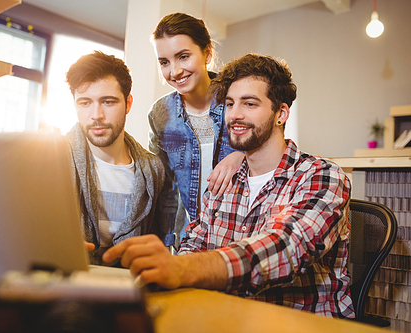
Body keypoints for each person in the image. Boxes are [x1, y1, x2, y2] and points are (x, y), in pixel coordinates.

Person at [103, 53, 355, 318]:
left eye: (249, 104)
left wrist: (184, 269)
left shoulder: (322, 176)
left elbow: (286, 248)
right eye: (230, 104)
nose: (235, 115)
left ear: (281, 113)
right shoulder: (224, 181)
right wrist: (166, 268)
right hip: (228, 319)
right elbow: (194, 244)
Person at [65, 51, 173, 266]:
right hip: (67, 283)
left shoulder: (153, 170)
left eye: (108, 102)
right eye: (85, 103)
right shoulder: (52, 158)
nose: (96, 115)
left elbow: (158, 242)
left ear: (128, 103)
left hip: (130, 286)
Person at [148, 13, 245, 243]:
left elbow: (271, 150)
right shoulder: (160, 113)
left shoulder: (238, 96)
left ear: (207, 53)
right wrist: (166, 244)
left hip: (241, 237)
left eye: (183, 56)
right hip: (190, 239)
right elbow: (165, 189)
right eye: (164, 62)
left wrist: (243, 155)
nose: (175, 71)